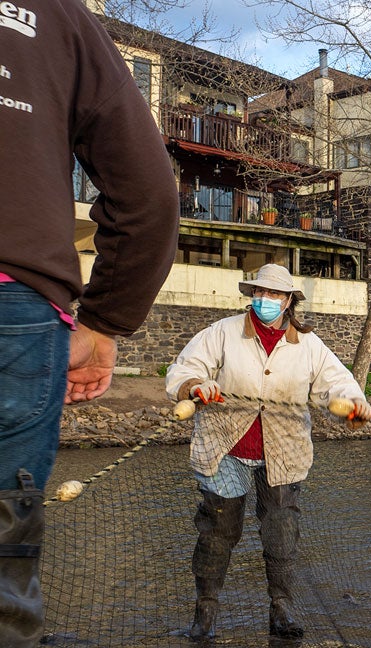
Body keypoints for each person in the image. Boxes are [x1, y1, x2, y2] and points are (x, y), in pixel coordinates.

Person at [1, 3, 180, 644]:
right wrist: (103, 323)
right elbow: (151, 192)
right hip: (15, 304)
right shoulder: (60, 17)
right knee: (4, 548)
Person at [165, 264, 371, 640]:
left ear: (289, 301)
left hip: (284, 453)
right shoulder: (223, 332)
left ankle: (281, 611)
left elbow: (337, 384)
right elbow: (184, 369)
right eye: (259, 293)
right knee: (218, 532)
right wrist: (196, 385)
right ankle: (205, 615)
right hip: (224, 448)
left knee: (281, 534)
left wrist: (354, 403)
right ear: (251, 296)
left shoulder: (308, 345)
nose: (265, 300)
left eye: (274, 295)